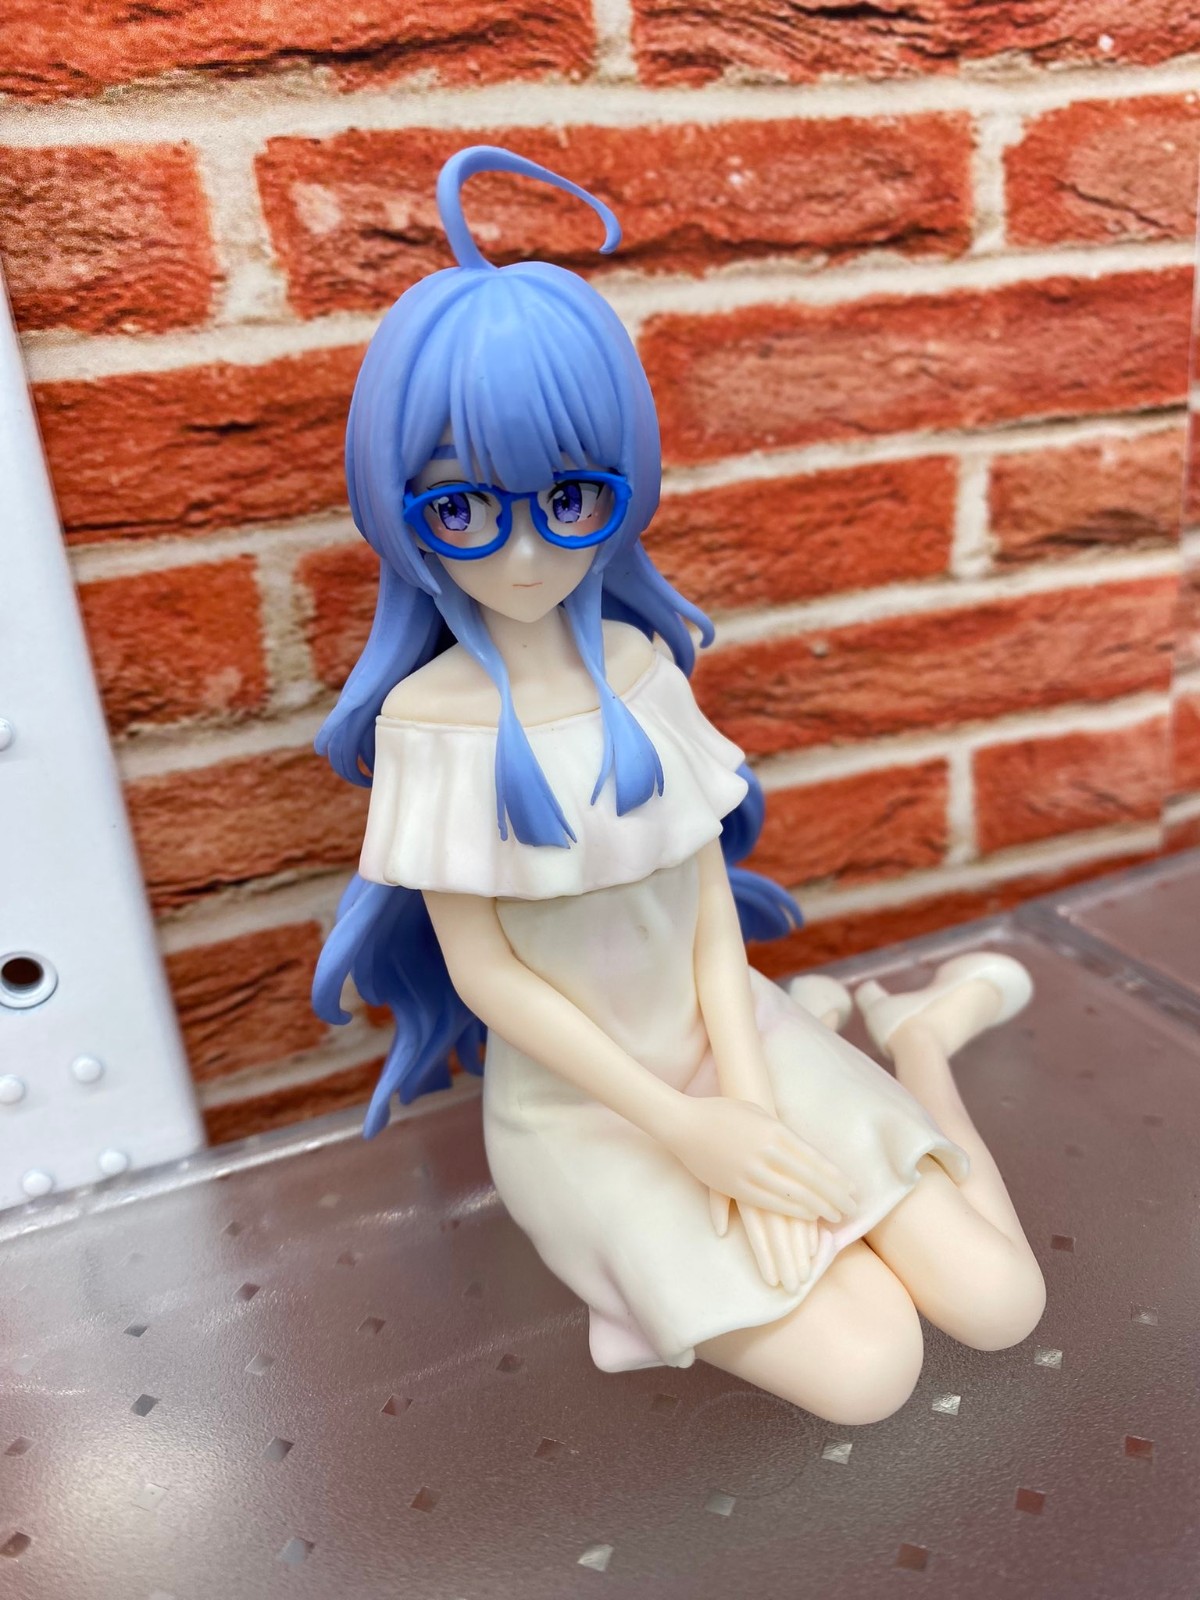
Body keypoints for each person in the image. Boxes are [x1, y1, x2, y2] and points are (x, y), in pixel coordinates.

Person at [313, 146, 1045, 1424]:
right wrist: (692, 1130)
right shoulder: (431, 725)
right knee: (871, 1372)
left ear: (622, 490)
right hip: (591, 1109)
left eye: (571, 499)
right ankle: (829, 1102)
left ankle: (915, 1038)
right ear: (401, 510)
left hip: (737, 1040)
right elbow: (490, 980)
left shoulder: (643, 670)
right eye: (463, 510)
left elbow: (708, 912)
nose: (527, 553)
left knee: (1002, 1305)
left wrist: (750, 1101)